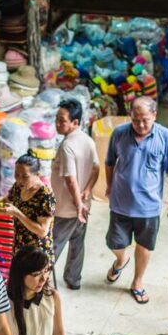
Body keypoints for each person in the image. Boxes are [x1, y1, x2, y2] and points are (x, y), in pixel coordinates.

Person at [104, 96, 168, 305]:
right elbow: (110, 162)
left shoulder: (165, 137)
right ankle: (121, 260)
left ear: (154, 116)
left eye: (145, 120)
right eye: (136, 119)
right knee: (115, 242)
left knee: (144, 245)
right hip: (120, 202)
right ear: (130, 116)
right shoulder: (120, 134)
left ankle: (137, 282)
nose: (140, 125)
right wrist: (109, 185)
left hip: (149, 207)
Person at [51, 98, 100, 290]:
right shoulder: (87, 141)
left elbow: (70, 180)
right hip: (83, 205)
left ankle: (40, 280)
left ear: (75, 122)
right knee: (77, 243)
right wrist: (87, 190)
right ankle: (73, 279)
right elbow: (96, 168)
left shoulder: (67, 146)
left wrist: (78, 204)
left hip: (67, 208)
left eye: (62, 120)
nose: (57, 123)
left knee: (53, 245)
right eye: (56, 119)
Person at [0, 152, 56, 263]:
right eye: (17, 174)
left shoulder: (45, 195)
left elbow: (42, 231)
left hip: (37, 252)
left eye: (25, 176)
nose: (19, 180)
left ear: (37, 175)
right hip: (20, 245)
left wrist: (17, 213)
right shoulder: (19, 186)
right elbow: (5, 200)